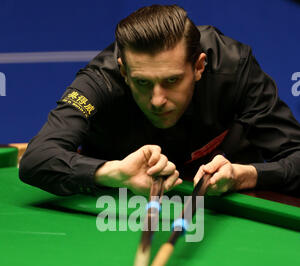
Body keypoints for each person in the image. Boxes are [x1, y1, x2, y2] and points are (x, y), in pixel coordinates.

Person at [19, 4, 300, 197]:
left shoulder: (233, 67)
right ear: (123, 71)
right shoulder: (101, 79)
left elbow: (295, 156)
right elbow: (37, 158)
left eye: (172, 80)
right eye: (142, 82)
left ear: (199, 66)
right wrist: (114, 172)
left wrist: (245, 175)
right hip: (118, 211)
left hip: (227, 211)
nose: (157, 100)